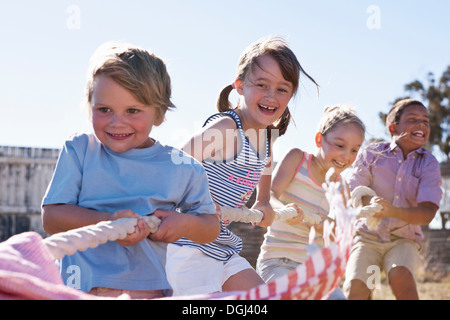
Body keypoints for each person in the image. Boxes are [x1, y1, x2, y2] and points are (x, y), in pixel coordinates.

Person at [41, 42, 221, 299]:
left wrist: (184, 223)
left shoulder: (182, 167)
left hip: (148, 291)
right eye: (104, 110)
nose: (117, 122)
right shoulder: (80, 149)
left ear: (158, 114)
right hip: (81, 288)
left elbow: (210, 227)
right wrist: (109, 222)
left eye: (133, 110)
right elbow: (52, 218)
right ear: (89, 105)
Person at [166, 36, 318, 296]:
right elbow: (175, 164)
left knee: (261, 298)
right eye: (262, 84)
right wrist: (196, 199)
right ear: (239, 85)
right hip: (187, 244)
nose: (272, 96)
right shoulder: (227, 128)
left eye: (282, 89)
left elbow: (265, 168)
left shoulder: (266, 139)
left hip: (221, 247)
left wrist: (264, 202)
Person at [256, 105, 365, 299]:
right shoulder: (298, 159)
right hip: (278, 260)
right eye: (340, 146)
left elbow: (340, 232)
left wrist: (328, 227)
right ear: (318, 140)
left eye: (354, 150)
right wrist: (285, 210)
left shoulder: (342, 187)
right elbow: (270, 195)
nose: (347, 156)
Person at [344, 98, 442, 300]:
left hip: (403, 241)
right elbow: (354, 191)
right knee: (358, 288)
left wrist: (392, 212)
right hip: (367, 239)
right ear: (393, 128)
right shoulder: (372, 154)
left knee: (400, 275)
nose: (422, 124)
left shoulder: (429, 164)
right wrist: (370, 204)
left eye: (425, 120)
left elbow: (427, 214)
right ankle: (366, 291)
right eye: (413, 119)